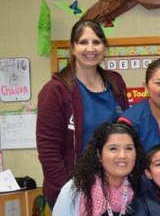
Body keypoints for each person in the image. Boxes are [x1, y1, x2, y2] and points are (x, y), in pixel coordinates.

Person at [36, 19, 129, 206]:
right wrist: (67, 193)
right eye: (83, 42)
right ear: (72, 47)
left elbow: (127, 132)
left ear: (104, 47)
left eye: (96, 42)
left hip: (114, 187)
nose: (91, 48)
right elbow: (48, 150)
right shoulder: (55, 90)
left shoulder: (116, 82)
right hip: (74, 190)